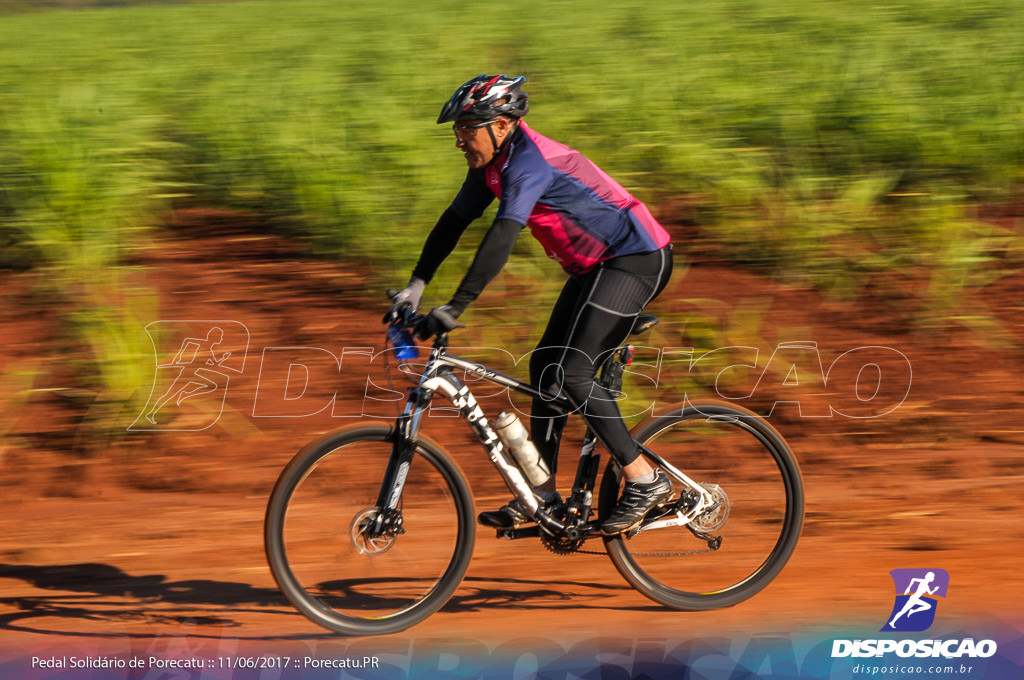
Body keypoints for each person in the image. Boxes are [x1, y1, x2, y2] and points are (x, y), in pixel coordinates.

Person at [388, 74, 674, 536]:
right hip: (596, 267)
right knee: (545, 366)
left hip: (635, 258)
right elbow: (454, 221)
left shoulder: (528, 164)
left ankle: (646, 480)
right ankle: (542, 493)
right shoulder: (491, 166)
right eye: (457, 130)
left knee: (573, 373)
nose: (459, 140)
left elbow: (503, 234)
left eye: (467, 129)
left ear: (501, 126)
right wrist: (417, 284)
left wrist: (458, 305)